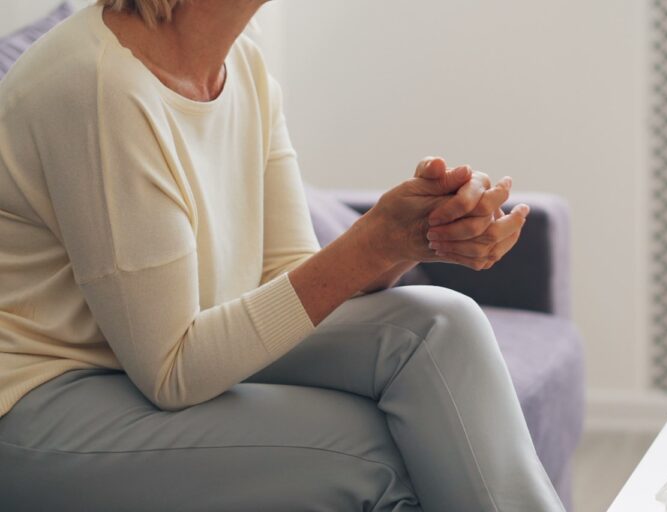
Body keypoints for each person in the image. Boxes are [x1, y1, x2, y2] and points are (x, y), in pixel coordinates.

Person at [0, 1, 565, 510]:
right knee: (383, 456)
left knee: (442, 323)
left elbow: (290, 284)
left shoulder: (241, 69)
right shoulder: (98, 86)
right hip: (43, 404)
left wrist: (404, 241)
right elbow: (172, 370)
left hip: (144, 361)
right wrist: (368, 244)